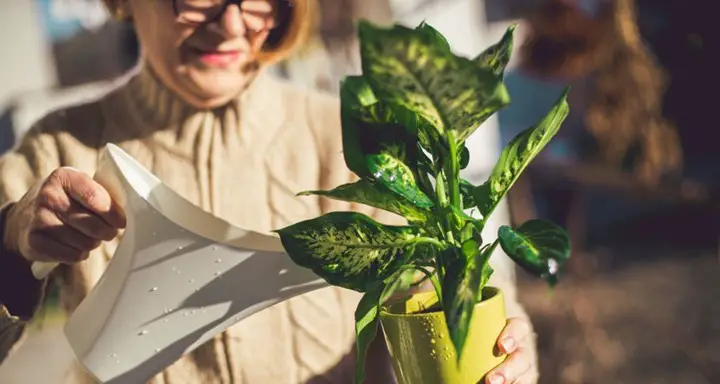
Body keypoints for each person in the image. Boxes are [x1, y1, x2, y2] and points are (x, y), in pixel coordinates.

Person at [0, 0, 537, 383]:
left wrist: (506, 348)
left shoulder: (346, 140)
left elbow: (443, 291)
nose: (233, 23)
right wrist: (13, 243)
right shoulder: (62, 146)